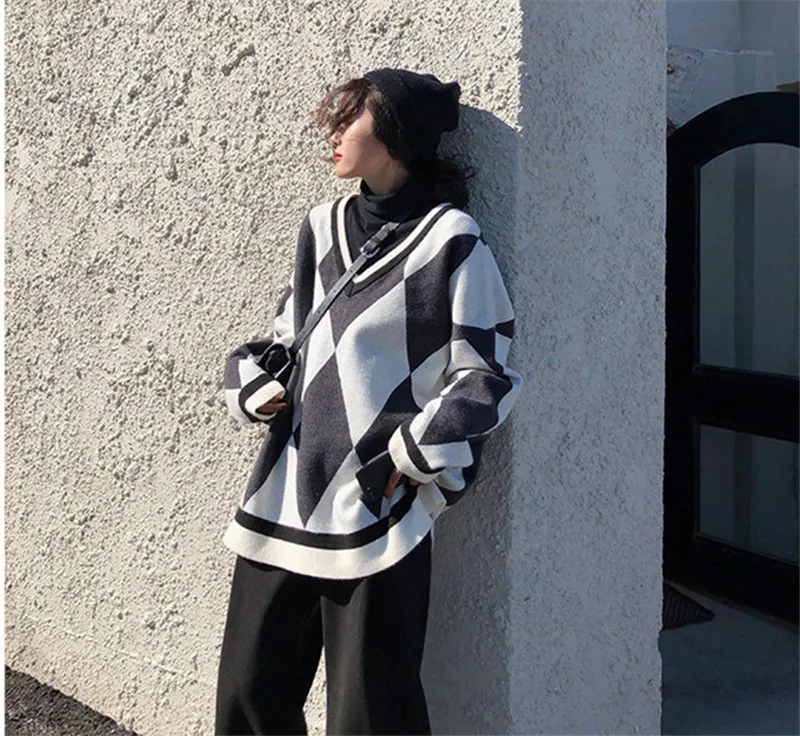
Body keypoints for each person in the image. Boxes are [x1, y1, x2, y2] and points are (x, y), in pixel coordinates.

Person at [215, 68, 522, 736]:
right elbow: (287, 339)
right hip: (285, 498)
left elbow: (486, 373)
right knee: (247, 695)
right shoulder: (321, 228)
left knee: (371, 716)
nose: (332, 131)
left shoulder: (450, 241)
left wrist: (410, 456)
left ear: (394, 133)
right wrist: (253, 384)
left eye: (349, 116)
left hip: (377, 512)